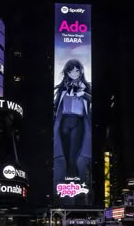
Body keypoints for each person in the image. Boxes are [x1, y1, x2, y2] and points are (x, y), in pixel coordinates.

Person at [53, 59, 92, 188]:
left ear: (80, 70)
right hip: (64, 121)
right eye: (71, 71)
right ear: (67, 72)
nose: (74, 73)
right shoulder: (62, 87)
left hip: (78, 121)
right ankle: (69, 179)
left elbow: (93, 101)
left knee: (73, 153)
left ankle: (72, 178)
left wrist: (84, 94)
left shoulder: (86, 86)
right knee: (65, 152)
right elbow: (55, 105)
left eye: (76, 70)